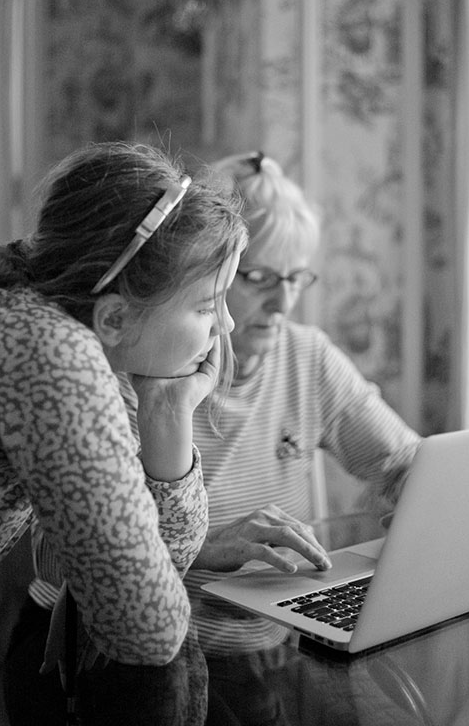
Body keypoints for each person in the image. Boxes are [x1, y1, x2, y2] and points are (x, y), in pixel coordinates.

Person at [0, 140, 247, 726]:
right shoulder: (48, 356)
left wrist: (168, 408)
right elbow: (148, 629)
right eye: (209, 308)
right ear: (114, 316)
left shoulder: (34, 320)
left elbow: (153, 572)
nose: (229, 324)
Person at [185, 151, 422, 725]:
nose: (282, 302)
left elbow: (402, 461)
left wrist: (428, 493)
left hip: (275, 644)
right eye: (260, 277)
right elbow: (68, 553)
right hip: (175, 646)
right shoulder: (151, 364)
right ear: (204, 270)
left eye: (295, 278)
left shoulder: (305, 353)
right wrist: (200, 543)